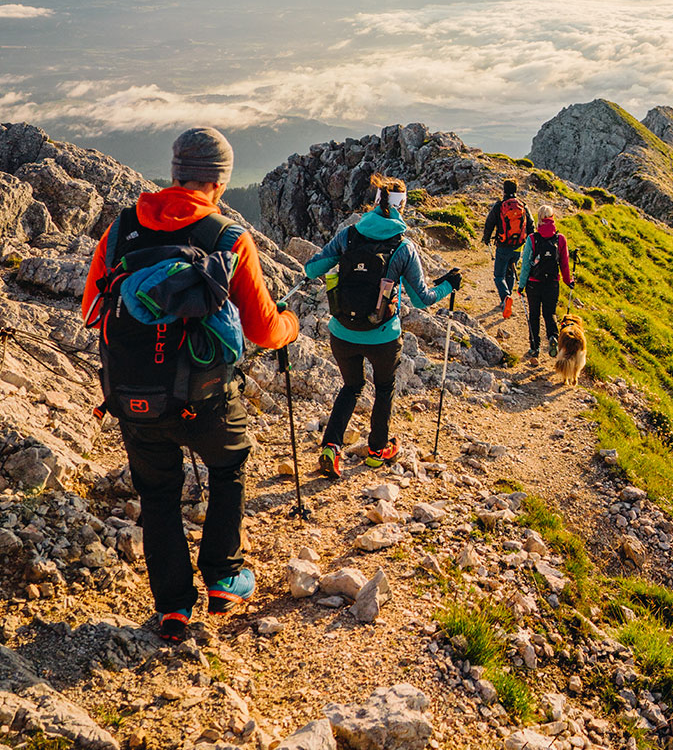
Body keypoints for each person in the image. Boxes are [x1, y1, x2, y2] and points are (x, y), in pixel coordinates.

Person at [82, 127, 299, 643]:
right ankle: (224, 578)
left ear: (176, 171)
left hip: (135, 399)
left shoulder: (119, 233)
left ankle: (173, 609)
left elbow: (93, 309)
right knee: (228, 466)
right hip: (205, 398)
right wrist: (290, 324)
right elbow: (264, 331)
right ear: (219, 182)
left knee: (157, 494)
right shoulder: (227, 238)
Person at [304, 173, 461, 479]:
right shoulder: (403, 247)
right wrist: (448, 286)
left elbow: (313, 269)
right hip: (383, 336)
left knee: (351, 387)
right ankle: (378, 449)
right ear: (402, 207)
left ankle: (330, 448)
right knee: (385, 386)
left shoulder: (349, 236)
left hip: (342, 333)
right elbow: (422, 300)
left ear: (375, 202)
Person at [517, 204, 574, 360]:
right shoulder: (560, 239)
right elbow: (564, 263)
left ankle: (534, 348)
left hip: (534, 284)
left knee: (534, 315)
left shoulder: (532, 239)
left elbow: (526, 264)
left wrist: (521, 286)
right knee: (550, 314)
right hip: (552, 284)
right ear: (552, 217)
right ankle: (552, 337)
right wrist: (569, 281)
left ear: (539, 219)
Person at [482, 179, 534, 318]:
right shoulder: (523, 206)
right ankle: (508, 297)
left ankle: (505, 298)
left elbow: (489, 223)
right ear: (516, 190)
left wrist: (486, 238)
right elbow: (531, 225)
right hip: (518, 246)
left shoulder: (499, 206)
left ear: (504, 190)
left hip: (503, 245)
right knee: (511, 272)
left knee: (499, 275)